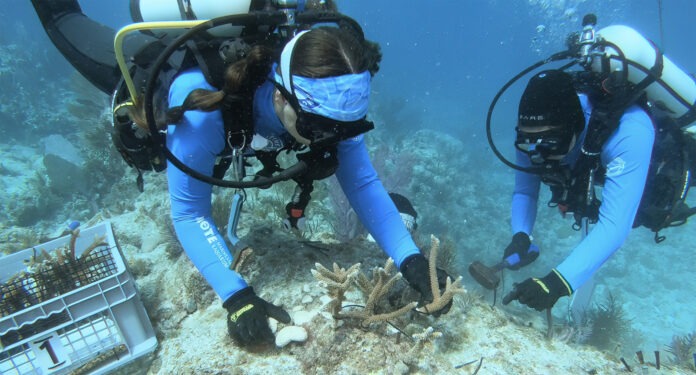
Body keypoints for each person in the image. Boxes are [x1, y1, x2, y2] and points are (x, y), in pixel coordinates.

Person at [31, 0, 451, 348]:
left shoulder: (330, 110)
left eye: (347, 129)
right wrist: (236, 294)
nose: (330, 140)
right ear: (282, 96)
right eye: (318, 129)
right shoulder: (204, 108)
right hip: (159, 77)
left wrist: (410, 260)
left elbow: (361, 183)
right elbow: (189, 212)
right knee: (61, 21)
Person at [501, 69, 655, 311]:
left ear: (575, 127)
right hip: (586, 161)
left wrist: (557, 282)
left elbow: (615, 226)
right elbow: (525, 191)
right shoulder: (532, 137)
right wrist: (521, 235)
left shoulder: (629, 132)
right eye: (528, 142)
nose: (538, 156)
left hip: (652, 163)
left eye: (549, 144)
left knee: (654, 208)